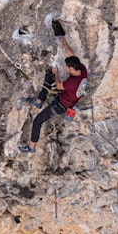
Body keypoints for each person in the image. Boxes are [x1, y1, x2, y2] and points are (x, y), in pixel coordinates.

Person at [19, 23, 88, 153]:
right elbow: (71, 54)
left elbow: (58, 85)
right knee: (49, 75)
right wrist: (62, 39)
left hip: (60, 106)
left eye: (67, 68)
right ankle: (39, 101)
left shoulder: (72, 82)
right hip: (67, 99)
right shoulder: (82, 70)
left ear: (72, 69)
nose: (66, 70)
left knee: (37, 121)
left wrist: (57, 73)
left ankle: (31, 147)